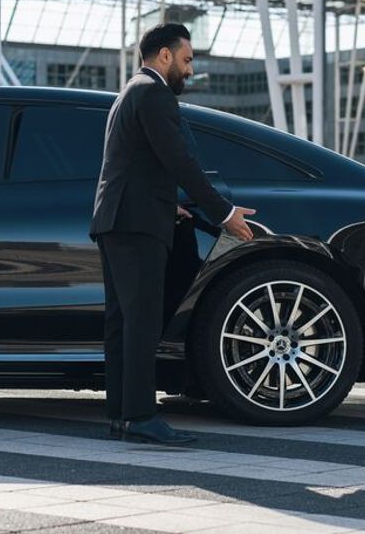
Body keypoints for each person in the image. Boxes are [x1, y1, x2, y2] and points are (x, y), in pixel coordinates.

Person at [90, 23, 256, 446]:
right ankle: (142, 416)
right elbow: (179, 160)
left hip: (117, 219)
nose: (190, 71)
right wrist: (224, 213)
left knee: (122, 323)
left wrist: (168, 203)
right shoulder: (154, 94)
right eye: (187, 61)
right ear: (164, 55)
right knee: (141, 322)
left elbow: (138, 163)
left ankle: (122, 416)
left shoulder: (129, 91)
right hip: (137, 225)